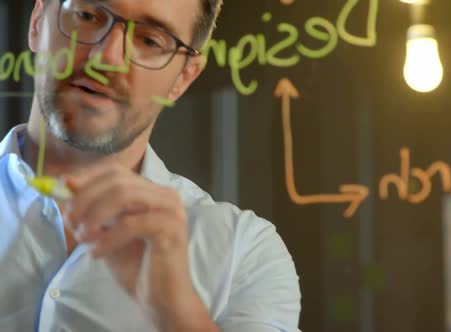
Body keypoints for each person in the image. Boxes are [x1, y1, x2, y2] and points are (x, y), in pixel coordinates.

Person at [0, 0, 301, 331]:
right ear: (38, 22)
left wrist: (175, 308)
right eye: (87, 16)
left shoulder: (245, 255)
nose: (106, 58)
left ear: (183, 78)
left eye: (150, 40)